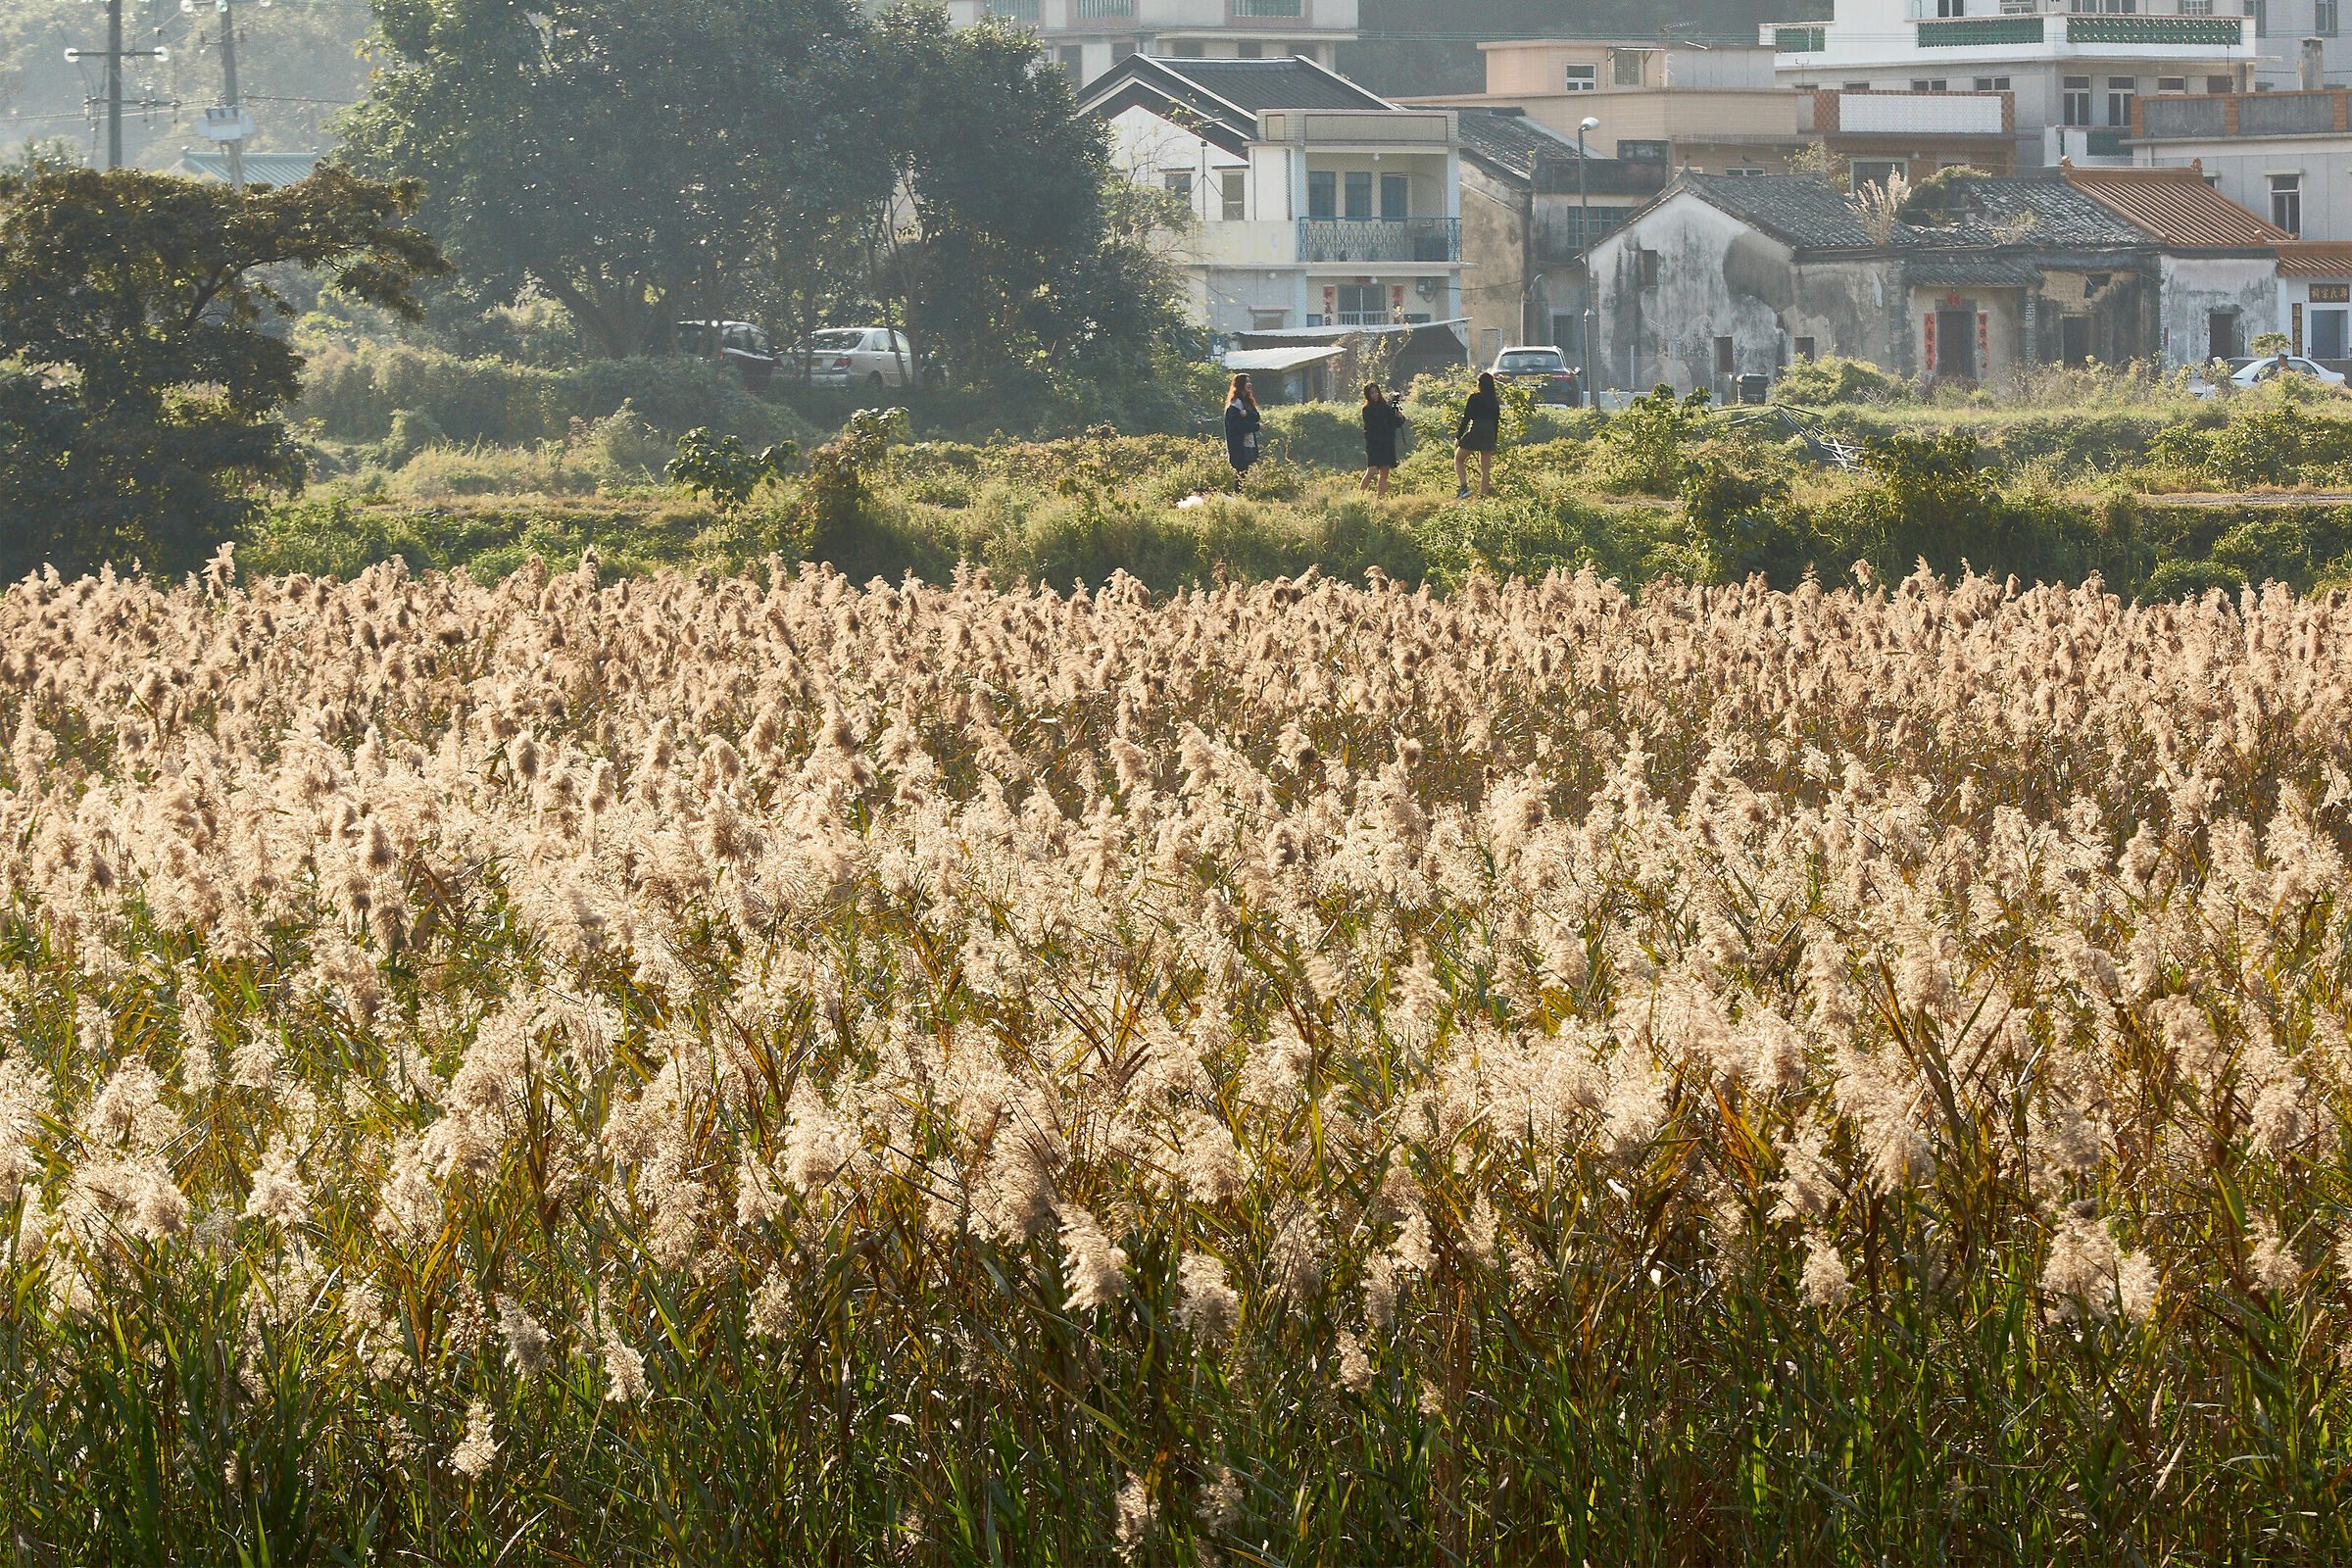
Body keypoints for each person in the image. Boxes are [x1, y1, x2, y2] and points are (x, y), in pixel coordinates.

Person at [1454, 371, 1501, 499]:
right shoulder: (1494, 401)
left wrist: (1459, 436)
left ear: (1479, 384)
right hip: (1490, 431)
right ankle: (1483, 497)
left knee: (1459, 459)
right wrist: (1494, 441)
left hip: (1477, 429)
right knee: (1485, 468)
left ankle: (1464, 488)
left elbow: (1466, 418)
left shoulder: (1474, 398)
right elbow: (1496, 422)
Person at [1359, 382, 1406, 497]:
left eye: (1376, 392)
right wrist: (1389, 407)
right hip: (1374, 444)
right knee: (1371, 470)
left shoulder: (1385, 407)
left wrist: (1399, 417)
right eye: (1372, 393)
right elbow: (1376, 423)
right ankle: (1359, 496)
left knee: (1384, 471)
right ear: (1368, 395)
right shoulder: (1367, 409)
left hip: (1387, 443)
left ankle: (1379, 497)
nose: (1375, 395)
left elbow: (1394, 423)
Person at [1223, 372, 1262, 490]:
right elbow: (1237, 426)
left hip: (1247, 441)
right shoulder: (1235, 404)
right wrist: (1257, 427)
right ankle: (1238, 496)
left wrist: (1247, 414)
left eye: (1249, 382)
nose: (1249, 384)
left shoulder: (1248, 401)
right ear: (1240, 385)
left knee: (1244, 470)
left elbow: (1256, 416)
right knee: (1240, 470)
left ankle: (1239, 495)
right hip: (1238, 443)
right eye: (1246, 382)